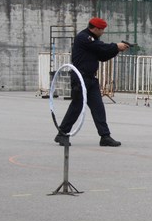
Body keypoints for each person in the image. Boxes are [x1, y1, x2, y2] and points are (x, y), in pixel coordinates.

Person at [54, 18, 130, 147]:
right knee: (76, 107)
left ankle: (105, 136)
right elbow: (99, 47)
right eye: (102, 30)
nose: (103, 32)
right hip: (80, 78)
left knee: (98, 107)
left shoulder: (93, 40)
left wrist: (116, 50)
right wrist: (116, 46)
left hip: (90, 79)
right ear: (95, 28)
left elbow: (102, 56)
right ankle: (62, 133)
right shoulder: (84, 37)